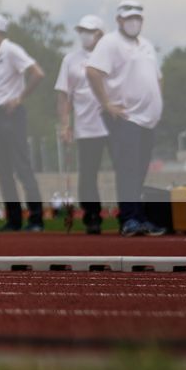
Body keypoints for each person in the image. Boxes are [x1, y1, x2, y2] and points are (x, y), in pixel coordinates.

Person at [86, 0, 166, 237]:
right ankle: (129, 218)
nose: (134, 21)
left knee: (139, 170)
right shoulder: (110, 42)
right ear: (119, 19)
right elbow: (92, 71)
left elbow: (157, 76)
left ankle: (139, 217)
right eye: (129, 17)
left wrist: (156, 102)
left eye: (138, 17)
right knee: (127, 169)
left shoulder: (147, 45)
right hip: (126, 117)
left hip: (147, 119)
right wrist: (106, 103)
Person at [0, 13, 46, 231]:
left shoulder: (12, 50)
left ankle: (36, 218)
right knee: (3, 169)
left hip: (12, 114)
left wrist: (20, 98)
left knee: (22, 165)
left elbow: (37, 73)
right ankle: (14, 219)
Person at [56, 15, 111, 234]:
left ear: (100, 34)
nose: (84, 35)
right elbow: (63, 95)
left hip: (114, 124)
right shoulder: (70, 59)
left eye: (89, 31)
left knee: (126, 171)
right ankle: (92, 216)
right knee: (88, 174)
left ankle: (131, 215)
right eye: (82, 31)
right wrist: (64, 124)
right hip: (87, 126)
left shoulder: (112, 57)